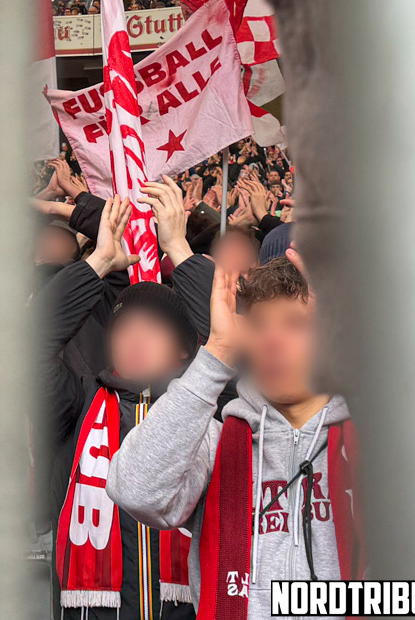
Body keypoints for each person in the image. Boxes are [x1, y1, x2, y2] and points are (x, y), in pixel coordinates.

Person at [106, 256, 363, 620]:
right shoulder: (216, 443)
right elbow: (135, 491)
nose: (272, 340)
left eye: (296, 324)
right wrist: (216, 354)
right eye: (258, 325)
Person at [36, 179, 213, 620]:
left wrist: (178, 248)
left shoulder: (213, 410)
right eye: (125, 328)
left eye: (153, 328)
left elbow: (235, 342)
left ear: (184, 349)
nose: (135, 338)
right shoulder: (76, 403)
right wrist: (97, 261)